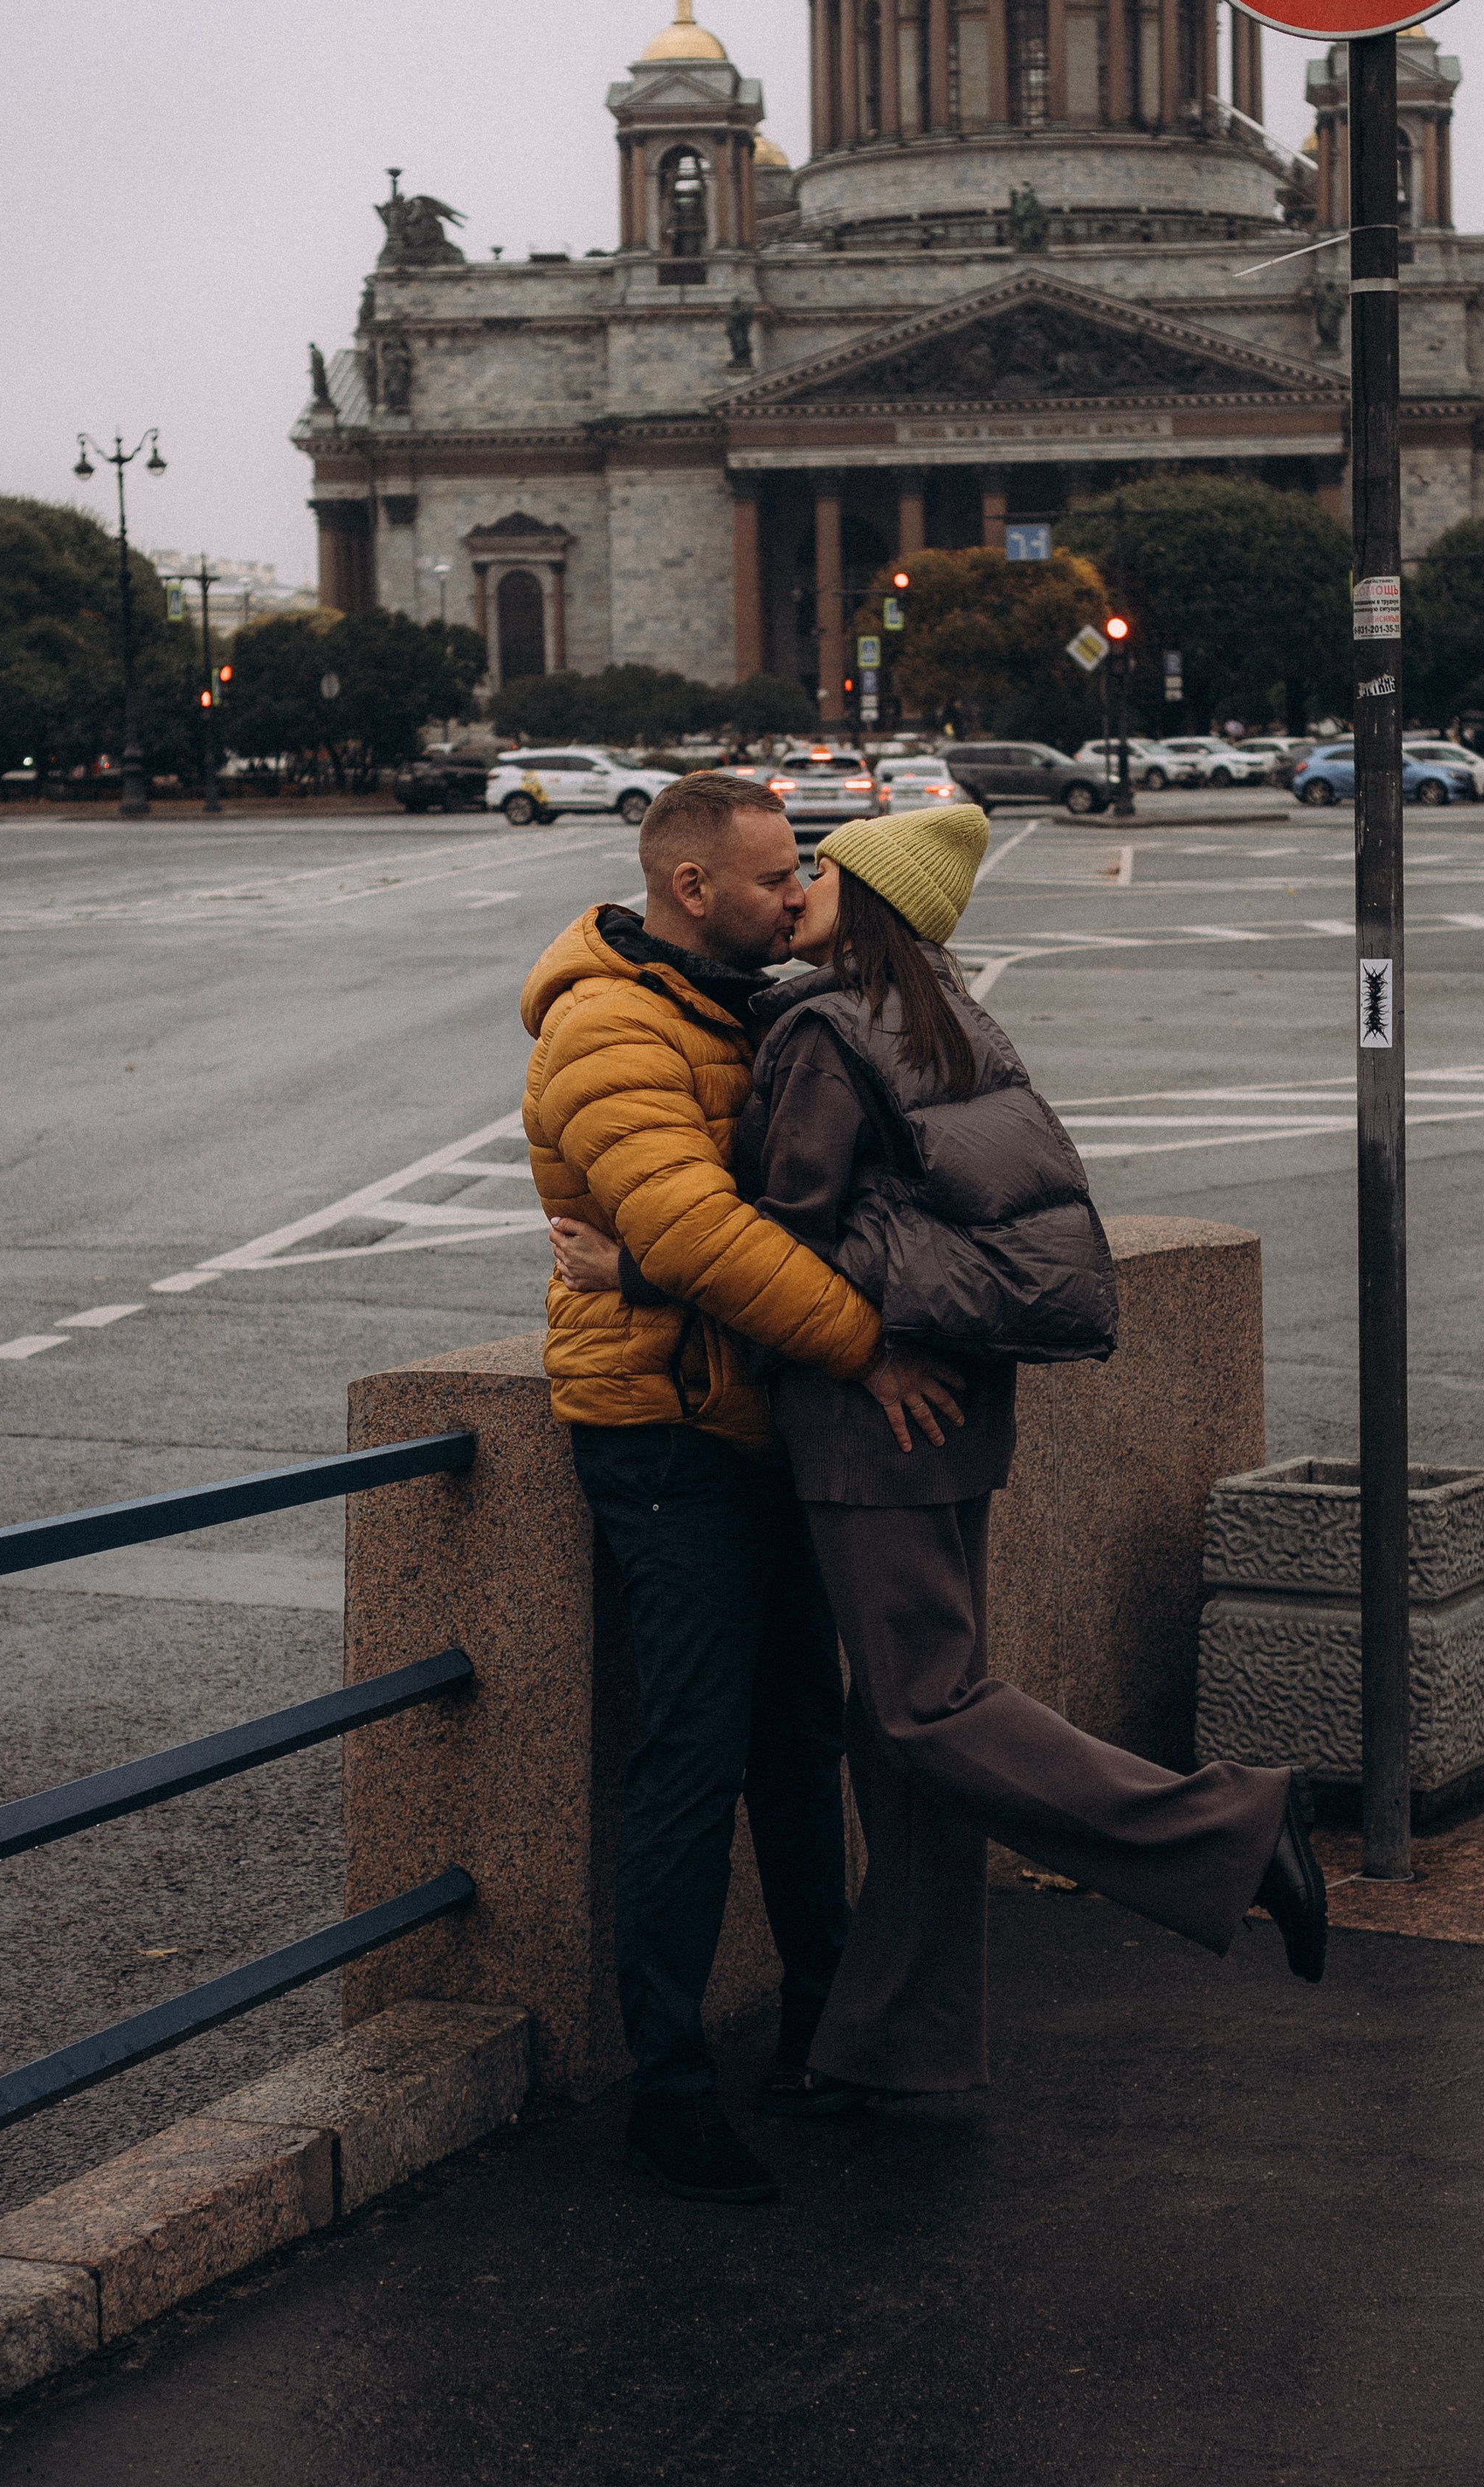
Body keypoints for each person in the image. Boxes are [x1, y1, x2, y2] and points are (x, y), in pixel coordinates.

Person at [554, 801, 1328, 2116]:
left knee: (925, 1709)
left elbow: (782, 1238)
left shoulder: (815, 1029)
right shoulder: (955, 1019)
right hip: (968, 1404)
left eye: (823, 870)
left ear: (872, 901)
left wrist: (636, 1261)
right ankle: (897, 2041)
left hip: (873, 1420)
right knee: (896, 1736)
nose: (801, 885)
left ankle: (1233, 1834)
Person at [523, 772, 960, 2206]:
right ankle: (669, 2090)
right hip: (661, 1435)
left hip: (753, 1415)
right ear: (693, 888)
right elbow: (701, 1235)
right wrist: (868, 1353)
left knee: (795, 1744)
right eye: (777, 877)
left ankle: (818, 2033)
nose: (798, 895)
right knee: (694, 1757)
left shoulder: (740, 1003)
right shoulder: (606, 1025)